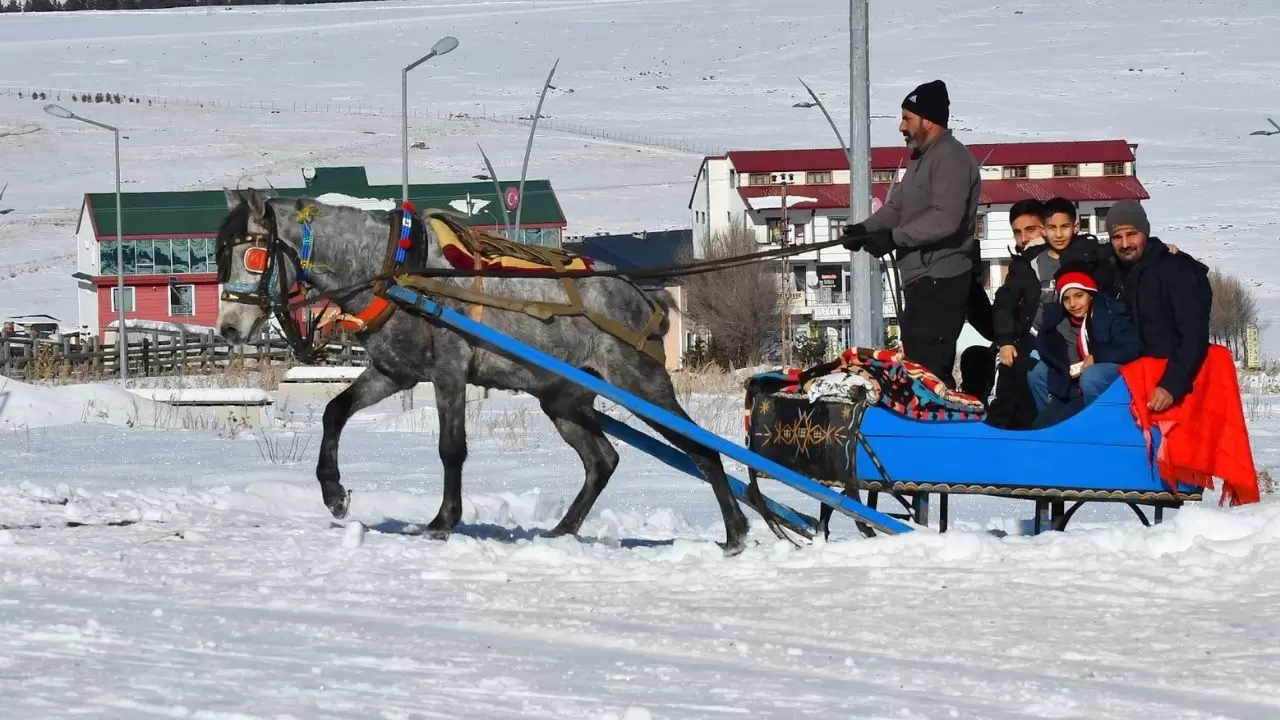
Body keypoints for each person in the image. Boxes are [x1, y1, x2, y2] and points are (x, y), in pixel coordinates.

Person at [841, 79, 981, 389]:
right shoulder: (921, 159)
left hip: (942, 279)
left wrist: (893, 238)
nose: (901, 127)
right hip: (921, 279)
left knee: (930, 371)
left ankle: (941, 432)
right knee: (918, 364)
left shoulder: (952, 158)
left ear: (928, 121)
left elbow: (945, 220)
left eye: (907, 118)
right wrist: (865, 230)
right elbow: (897, 208)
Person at [1107, 199, 1212, 412]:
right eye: (1117, 237)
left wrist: (1171, 386)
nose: (1125, 243)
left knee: (1095, 379)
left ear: (1145, 232)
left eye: (1131, 234)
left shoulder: (1175, 271)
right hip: (1133, 368)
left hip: (1165, 373)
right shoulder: (1115, 270)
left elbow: (1193, 335)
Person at [1028, 265, 1142, 427]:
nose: (1073, 304)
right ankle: (1053, 422)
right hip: (1075, 380)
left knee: (1092, 376)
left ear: (1090, 294)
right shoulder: (1060, 322)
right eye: (1066, 299)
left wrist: (1098, 358)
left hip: (1113, 373)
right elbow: (1048, 349)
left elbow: (1132, 347)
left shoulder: (1110, 313)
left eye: (1079, 296)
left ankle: (1100, 424)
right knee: (1038, 373)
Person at [985, 199, 1052, 428]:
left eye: (1031, 230)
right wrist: (1005, 340)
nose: (1024, 239)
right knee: (1009, 363)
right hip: (1030, 338)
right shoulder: (1022, 264)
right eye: (1017, 232)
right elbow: (1004, 301)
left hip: (1064, 337)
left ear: (1045, 227)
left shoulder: (1069, 253)